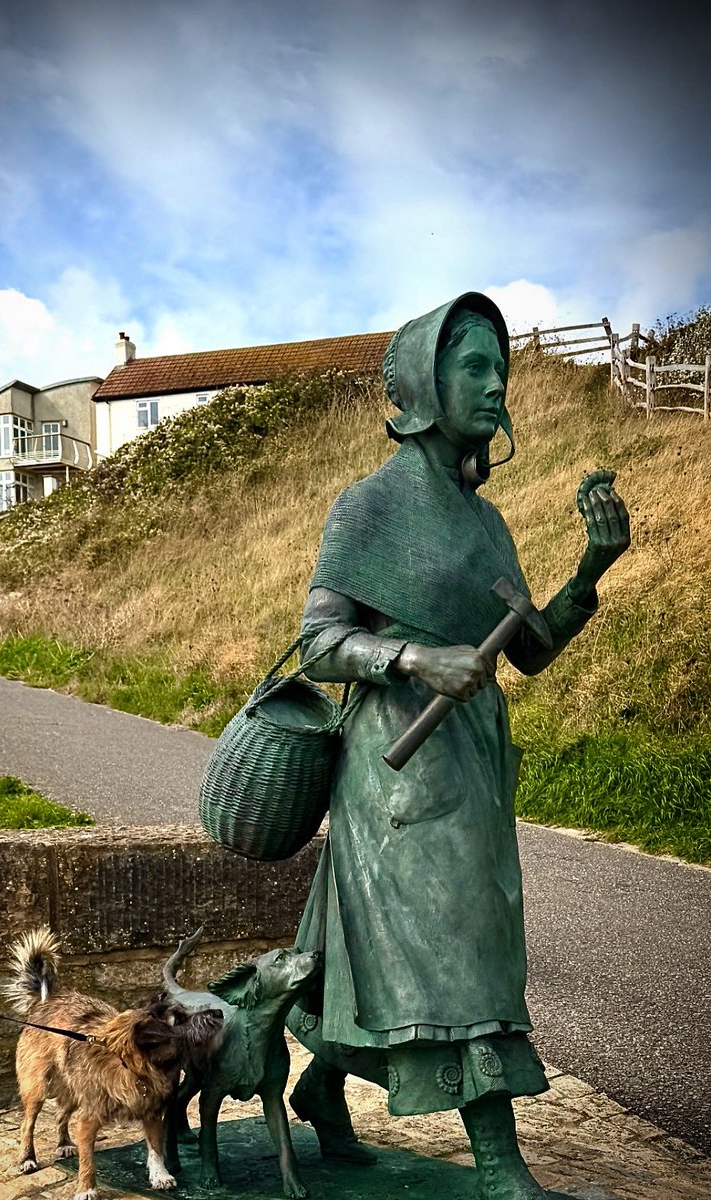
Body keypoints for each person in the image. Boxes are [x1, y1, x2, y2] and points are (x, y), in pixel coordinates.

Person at [285, 292, 630, 1200]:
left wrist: (591, 569)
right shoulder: (364, 507)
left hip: (473, 764)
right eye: (472, 367)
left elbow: (532, 649)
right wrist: (412, 657)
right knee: (460, 949)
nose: (494, 385)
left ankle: (322, 1086)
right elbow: (319, 645)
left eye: (499, 370)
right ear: (421, 385)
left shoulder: (488, 524)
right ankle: (498, 1162)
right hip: (392, 767)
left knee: (455, 940)